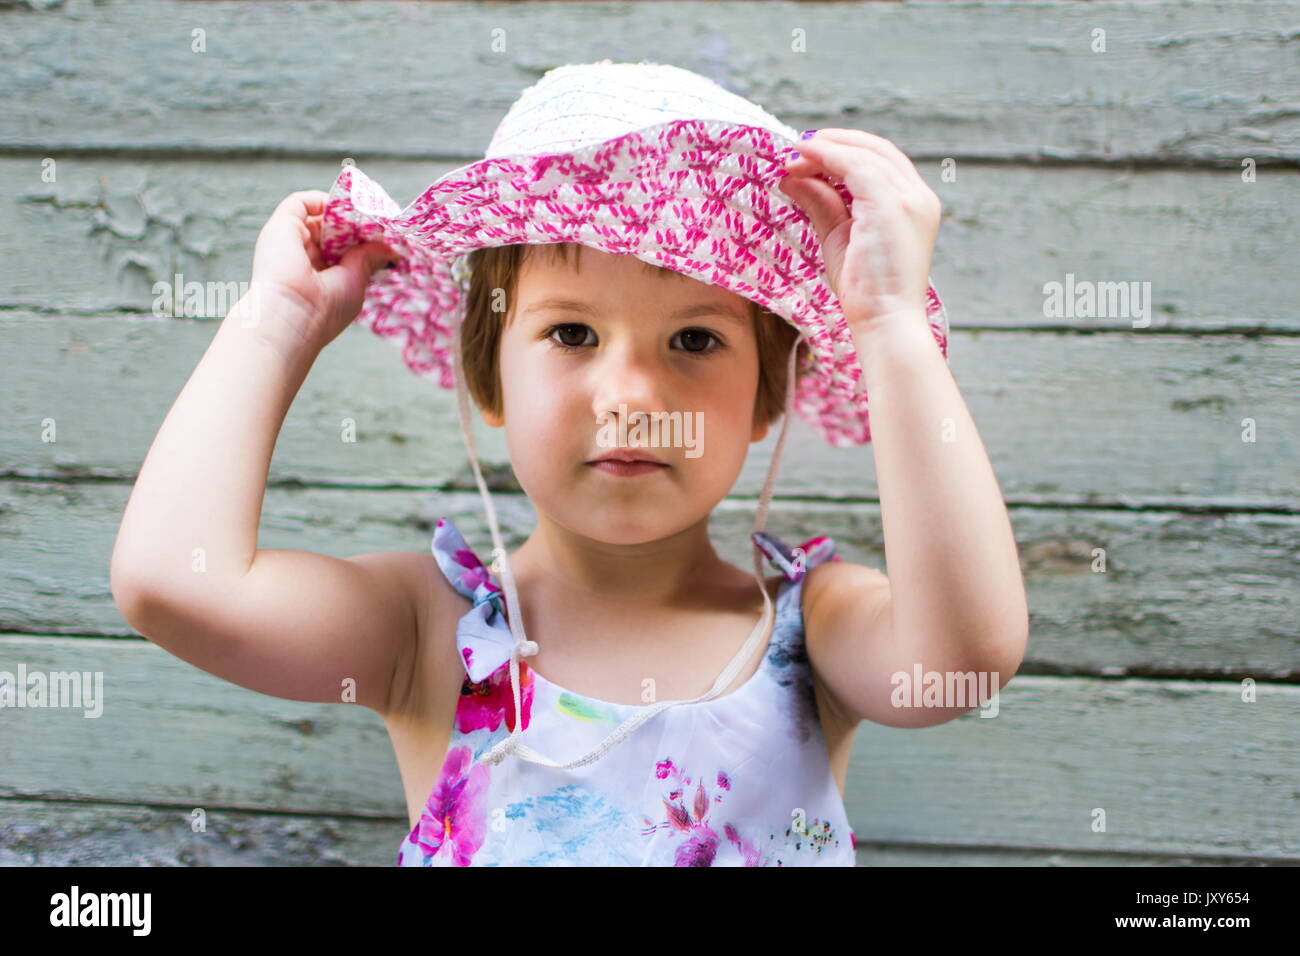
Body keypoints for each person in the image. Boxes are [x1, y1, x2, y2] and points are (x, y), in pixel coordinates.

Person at [110, 62, 1028, 867]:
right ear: (490, 379)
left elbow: (965, 657)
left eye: (696, 340)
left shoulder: (812, 628)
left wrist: (890, 327)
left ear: (765, 400)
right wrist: (278, 321)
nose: (628, 394)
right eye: (573, 332)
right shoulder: (426, 633)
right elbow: (170, 584)